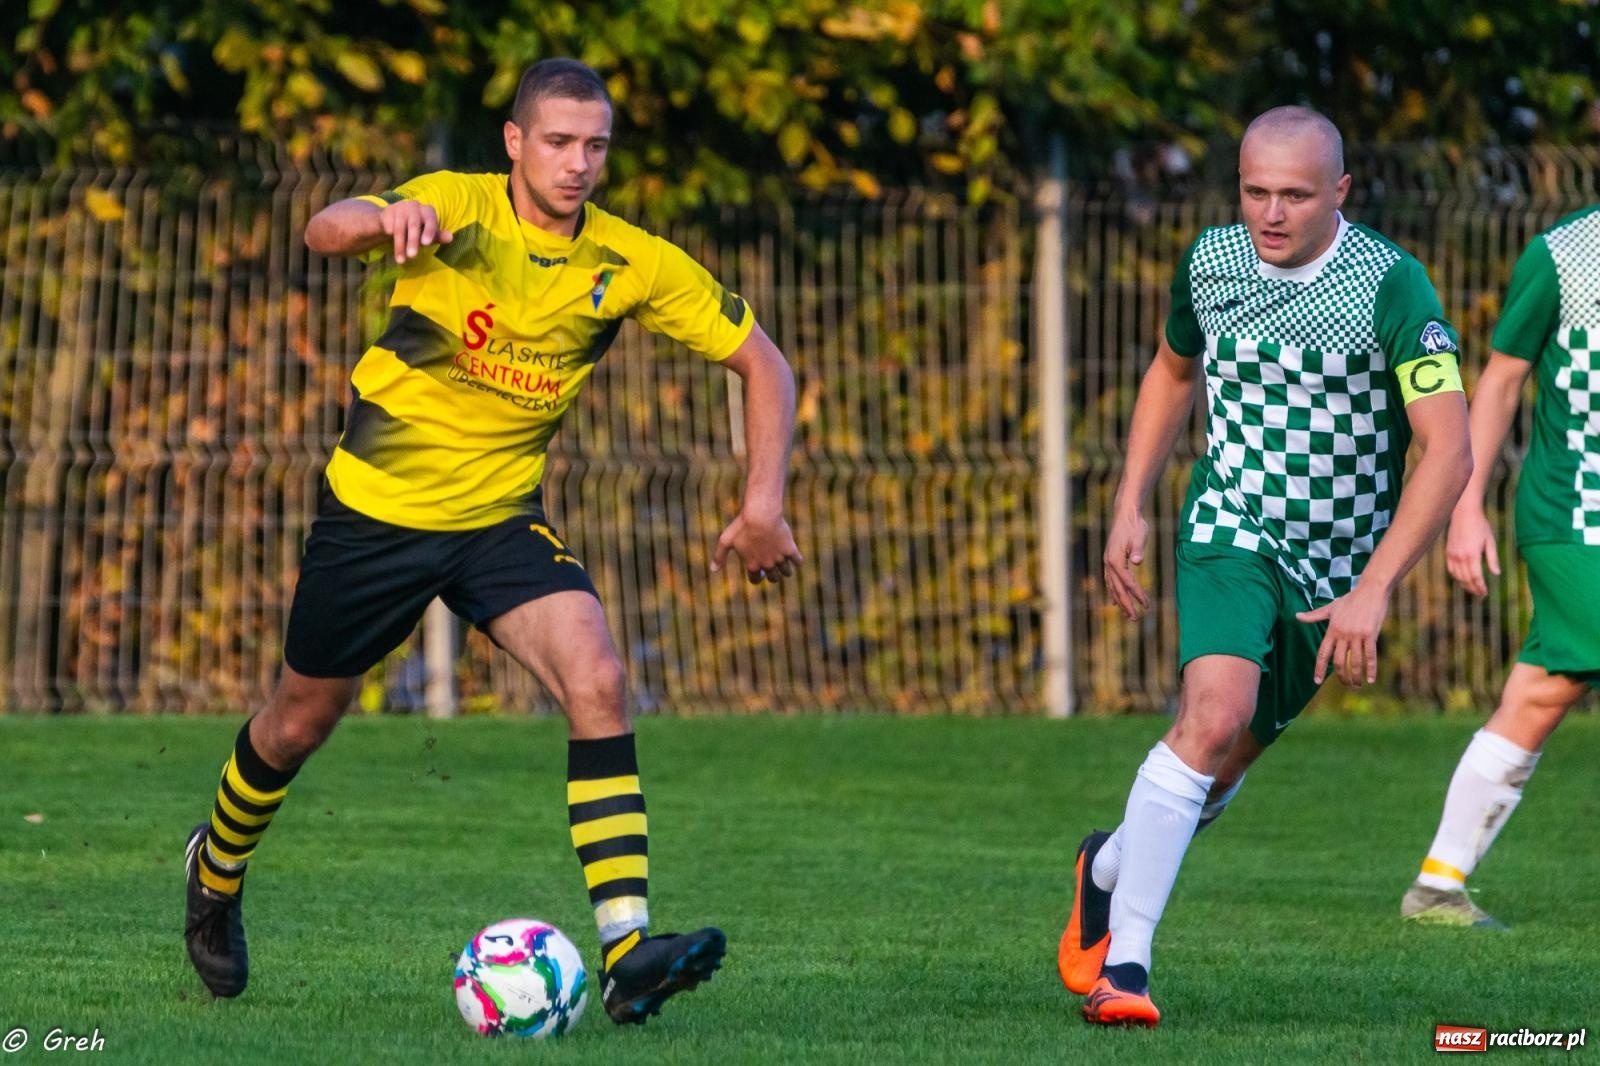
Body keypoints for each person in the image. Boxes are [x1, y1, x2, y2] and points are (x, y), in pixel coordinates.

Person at [181, 58, 804, 1025]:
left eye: (595, 145)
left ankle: (628, 950)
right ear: (514, 141)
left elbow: (762, 361)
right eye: (558, 142)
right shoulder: (456, 207)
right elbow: (324, 227)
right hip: (376, 513)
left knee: (597, 678)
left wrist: (762, 501)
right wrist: (384, 218)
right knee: (299, 722)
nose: (578, 164)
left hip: (498, 521)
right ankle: (215, 869)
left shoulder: (631, 261)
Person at [1057, 106, 1473, 1027]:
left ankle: (1106, 865)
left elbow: (1448, 451)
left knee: (1219, 767)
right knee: (1212, 716)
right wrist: (1130, 501)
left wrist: (1373, 590)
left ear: (1340, 193)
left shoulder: (1393, 286)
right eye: (1255, 192)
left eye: (1294, 194)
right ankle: (1125, 969)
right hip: (1231, 527)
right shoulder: (1211, 263)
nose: (1271, 213)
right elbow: (1173, 371)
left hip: (1335, 576)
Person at [1400, 204, 1600, 928]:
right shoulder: (1564, 256)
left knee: (1542, 692)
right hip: (1577, 515)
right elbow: (1501, 379)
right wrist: (1466, 504)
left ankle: (1438, 883)